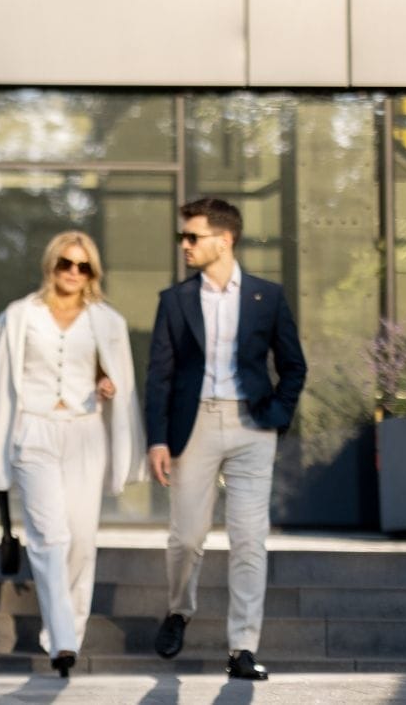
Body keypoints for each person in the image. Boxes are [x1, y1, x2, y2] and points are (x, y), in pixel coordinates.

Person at [144, 197, 306, 681]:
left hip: (252, 428)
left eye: (192, 236)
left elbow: (293, 365)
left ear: (225, 239)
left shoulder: (267, 296)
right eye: (183, 237)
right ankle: (179, 609)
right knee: (186, 537)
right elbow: (160, 377)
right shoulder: (174, 300)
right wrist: (156, 440)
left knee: (249, 541)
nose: (185, 245)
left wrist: (275, 415)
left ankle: (242, 648)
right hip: (192, 429)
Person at [0, 231, 144, 678]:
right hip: (34, 431)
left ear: (93, 272)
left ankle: (66, 632)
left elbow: (116, 379)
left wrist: (108, 385)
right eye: (65, 263)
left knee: (82, 540)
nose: (73, 272)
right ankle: (63, 639)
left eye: (82, 266)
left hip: (86, 433)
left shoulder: (106, 321)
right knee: (50, 537)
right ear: (51, 266)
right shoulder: (19, 316)